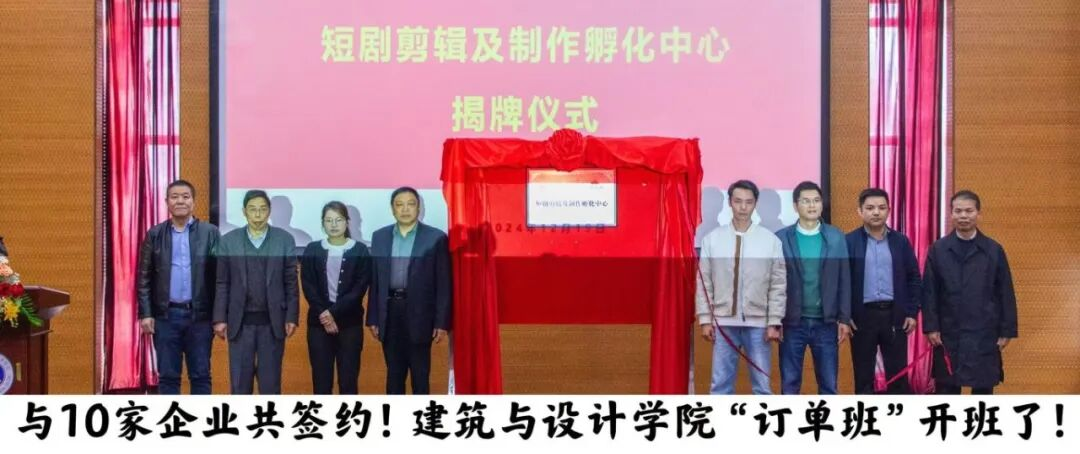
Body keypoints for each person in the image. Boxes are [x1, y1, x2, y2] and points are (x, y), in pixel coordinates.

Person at [923, 190, 1017, 395]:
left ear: (978, 214)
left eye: (969, 211)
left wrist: (1006, 330)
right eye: (958, 211)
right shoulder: (938, 250)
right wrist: (931, 327)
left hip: (984, 331)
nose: (963, 216)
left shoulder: (993, 250)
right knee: (946, 388)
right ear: (951, 214)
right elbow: (930, 292)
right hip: (948, 331)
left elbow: (1005, 292)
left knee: (983, 388)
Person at [696, 180, 786, 394]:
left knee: (762, 387)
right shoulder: (712, 240)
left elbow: (778, 284)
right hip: (723, 323)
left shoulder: (770, 241)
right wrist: (705, 319)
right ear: (730, 202)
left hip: (759, 324)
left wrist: (774, 320)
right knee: (720, 387)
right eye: (738, 201)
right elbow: (704, 282)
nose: (743, 207)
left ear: (755, 204)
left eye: (748, 202)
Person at [136, 179, 219, 394]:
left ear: (193, 202)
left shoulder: (210, 233)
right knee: (168, 377)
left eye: (185, 196)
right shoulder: (155, 234)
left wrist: (219, 316)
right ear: (167, 202)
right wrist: (146, 313)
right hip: (166, 316)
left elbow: (220, 278)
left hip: (200, 317)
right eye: (174, 197)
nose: (180, 201)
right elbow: (143, 277)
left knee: (201, 375)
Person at [366, 187, 451, 394]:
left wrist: (441, 322)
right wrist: (373, 317)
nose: (405, 209)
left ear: (419, 208)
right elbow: (375, 280)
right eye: (399, 204)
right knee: (394, 375)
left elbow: (444, 284)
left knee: (420, 377)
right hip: (390, 312)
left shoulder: (436, 238)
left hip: (421, 315)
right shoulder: (380, 237)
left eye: (410, 204)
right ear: (392, 209)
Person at [213, 189, 299, 394]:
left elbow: (291, 282)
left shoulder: (284, 239)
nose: (258, 214)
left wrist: (292, 317)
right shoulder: (229, 241)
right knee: (240, 386)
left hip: (273, 322)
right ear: (244, 212)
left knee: (270, 385)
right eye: (252, 209)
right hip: (240, 323)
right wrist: (219, 318)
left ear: (269, 211)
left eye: (263, 209)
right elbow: (222, 282)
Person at [776, 181, 852, 394]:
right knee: (789, 385)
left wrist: (844, 319)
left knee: (829, 385)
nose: (812, 206)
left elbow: (844, 279)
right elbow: (773, 282)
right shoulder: (781, 238)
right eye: (806, 201)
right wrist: (774, 319)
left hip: (826, 323)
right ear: (795, 206)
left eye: (816, 201)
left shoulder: (835, 237)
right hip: (792, 323)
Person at [845, 188, 921, 394]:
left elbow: (914, 278)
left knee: (898, 378)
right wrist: (845, 315)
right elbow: (842, 282)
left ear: (889, 210)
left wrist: (912, 312)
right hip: (861, 318)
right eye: (870, 208)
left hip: (894, 316)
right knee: (863, 378)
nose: (876, 212)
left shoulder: (901, 241)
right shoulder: (849, 241)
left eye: (881, 207)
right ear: (860, 211)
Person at [301, 201, 372, 394]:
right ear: (322, 223)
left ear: (347, 222)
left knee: (348, 383)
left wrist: (332, 313)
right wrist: (324, 315)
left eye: (338, 220)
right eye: (329, 220)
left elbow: (359, 288)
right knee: (321, 384)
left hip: (350, 325)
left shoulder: (360, 250)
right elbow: (308, 285)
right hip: (318, 325)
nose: (333, 225)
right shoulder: (312, 249)